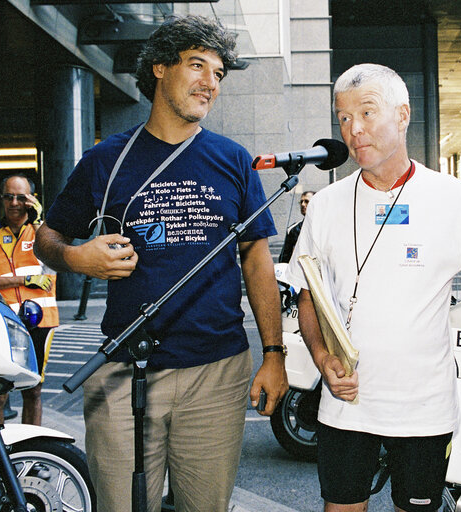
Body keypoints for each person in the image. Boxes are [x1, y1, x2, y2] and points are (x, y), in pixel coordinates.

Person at [33, 15, 288, 512]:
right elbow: (47, 238)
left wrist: (274, 355)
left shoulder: (234, 160)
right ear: (157, 68)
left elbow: (257, 259)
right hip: (123, 366)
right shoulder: (105, 159)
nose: (210, 83)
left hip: (217, 369)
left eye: (218, 73)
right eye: (197, 66)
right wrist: (76, 259)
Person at [285, 63, 461, 512]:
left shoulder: (453, 198)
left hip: (424, 408)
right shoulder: (326, 205)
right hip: (344, 404)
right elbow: (308, 294)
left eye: (367, 113)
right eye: (343, 118)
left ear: (403, 114)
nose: (354, 129)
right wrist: (321, 358)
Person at [0, 173, 58, 426]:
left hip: (40, 320)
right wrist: (24, 281)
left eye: (21, 197)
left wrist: (39, 221)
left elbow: (52, 267)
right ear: (1, 200)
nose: (15, 203)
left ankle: (33, 454)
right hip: (1, 321)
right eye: (9, 197)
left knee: (34, 390)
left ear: (32, 200)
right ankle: (0, 457)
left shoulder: (45, 234)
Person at [278, 190, 314, 263]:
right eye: (301, 202)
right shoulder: (292, 229)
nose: (303, 204)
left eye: (306, 201)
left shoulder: (326, 227)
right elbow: (285, 258)